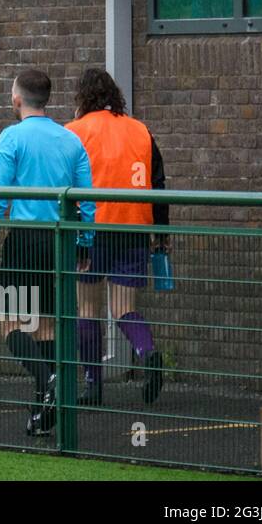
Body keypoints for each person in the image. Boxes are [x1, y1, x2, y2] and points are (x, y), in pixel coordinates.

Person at [0, 69, 95, 436]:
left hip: (25, 239)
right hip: (60, 240)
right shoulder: (71, 140)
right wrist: (85, 243)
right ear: (46, 100)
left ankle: (48, 381)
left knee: (10, 324)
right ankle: (44, 414)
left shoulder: (11, 138)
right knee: (46, 325)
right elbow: (86, 201)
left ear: (17, 100)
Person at [66, 67, 168, 407]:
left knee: (87, 308)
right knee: (124, 308)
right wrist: (161, 234)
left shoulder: (75, 132)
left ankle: (93, 384)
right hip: (135, 226)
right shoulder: (140, 130)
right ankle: (147, 350)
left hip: (90, 231)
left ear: (82, 98)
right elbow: (158, 182)